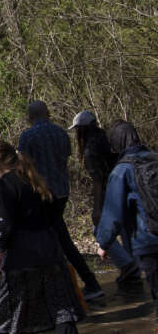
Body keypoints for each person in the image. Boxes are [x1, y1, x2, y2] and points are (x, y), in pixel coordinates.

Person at [0, 142, 92, 334]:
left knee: (11, 303)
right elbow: (54, 218)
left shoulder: (3, 187)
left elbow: (2, 227)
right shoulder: (34, 182)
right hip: (49, 252)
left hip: (21, 256)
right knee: (60, 304)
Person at [18, 100, 104, 301]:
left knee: (52, 241)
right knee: (59, 238)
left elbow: (23, 167)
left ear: (30, 117)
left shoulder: (27, 136)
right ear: (48, 114)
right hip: (61, 193)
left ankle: (70, 287)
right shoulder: (61, 133)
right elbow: (64, 158)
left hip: (40, 195)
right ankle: (81, 284)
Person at [96, 122, 158, 334]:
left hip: (148, 241)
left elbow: (113, 211)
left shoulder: (121, 171)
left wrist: (103, 242)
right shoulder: (155, 158)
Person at [72, 111, 141, 287]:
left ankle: (127, 265)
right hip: (126, 186)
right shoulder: (106, 138)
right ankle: (132, 265)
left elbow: (97, 180)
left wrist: (97, 207)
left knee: (99, 227)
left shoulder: (89, 149)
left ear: (81, 129)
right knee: (126, 226)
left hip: (110, 189)